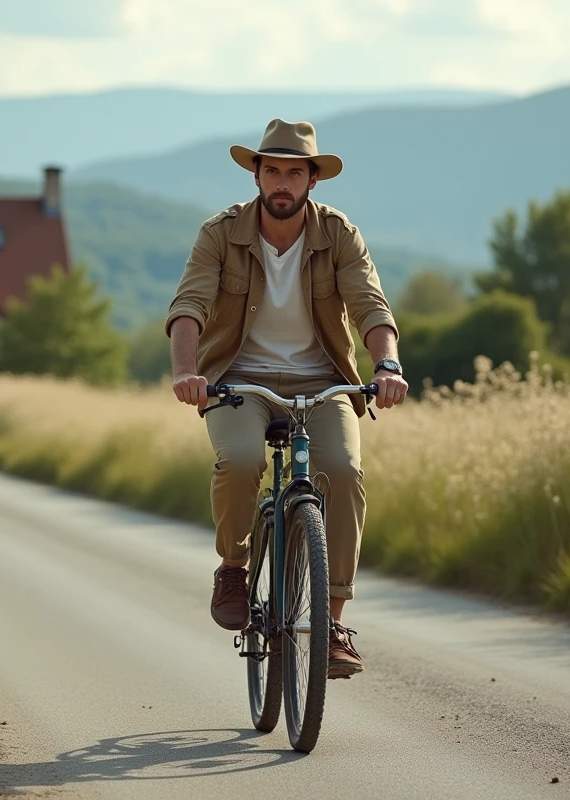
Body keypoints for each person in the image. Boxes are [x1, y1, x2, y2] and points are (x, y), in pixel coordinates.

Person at [164, 118, 408, 679]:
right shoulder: (220, 233)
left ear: (312, 181)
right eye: (271, 170)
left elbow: (371, 306)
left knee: (343, 471)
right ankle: (233, 565)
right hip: (238, 379)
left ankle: (334, 623)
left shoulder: (339, 234)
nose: (282, 182)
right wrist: (186, 372)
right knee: (242, 460)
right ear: (256, 174)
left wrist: (388, 364)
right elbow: (190, 306)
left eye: (294, 173)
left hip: (322, 381)